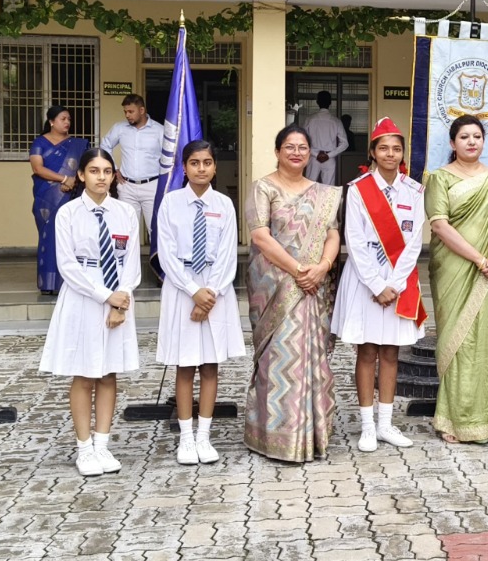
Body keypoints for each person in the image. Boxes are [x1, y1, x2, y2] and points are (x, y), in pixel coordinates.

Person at [37, 148, 141, 477]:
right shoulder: (68, 214)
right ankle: (83, 448)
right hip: (83, 298)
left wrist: (120, 300)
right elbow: (68, 266)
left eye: (107, 171)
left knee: (108, 373)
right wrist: (106, 297)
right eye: (94, 171)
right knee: (84, 374)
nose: (101, 177)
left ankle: (102, 445)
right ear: (81, 175)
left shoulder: (125, 212)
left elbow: (131, 263)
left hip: (118, 298)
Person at [243, 125, 343, 462]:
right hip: (276, 286)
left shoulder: (323, 193)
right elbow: (260, 236)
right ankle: (273, 435)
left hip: (313, 285)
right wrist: (299, 270)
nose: (297, 152)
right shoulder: (263, 188)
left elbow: (332, 233)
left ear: (310, 152)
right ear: (277, 151)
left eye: (302, 147)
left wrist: (322, 267)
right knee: (278, 359)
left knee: (311, 357)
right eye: (289, 146)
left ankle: (312, 434)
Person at [426, 115, 488, 444]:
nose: (471, 142)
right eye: (464, 137)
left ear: (483, 141)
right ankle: (454, 420)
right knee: (457, 342)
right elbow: (439, 225)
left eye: (477, 136)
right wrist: (480, 260)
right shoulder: (439, 178)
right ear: (452, 143)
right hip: (454, 269)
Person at [332, 117, 424, 451]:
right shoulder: (359, 189)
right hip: (364, 281)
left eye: (396, 149)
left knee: (391, 352)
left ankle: (386, 424)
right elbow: (354, 240)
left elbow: (414, 241)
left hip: (398, 282)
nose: (390, 154)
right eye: (383, 148)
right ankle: (367, 426)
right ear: (372, 152)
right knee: (367, 351)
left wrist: (394, 284)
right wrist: (376, 285)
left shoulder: (414, 190)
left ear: (403, 153)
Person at [156, 140, 244, 465]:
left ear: (215, 167)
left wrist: (209, 294)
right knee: (185, 364)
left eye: (207, 162)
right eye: (194, 163)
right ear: (184, 167)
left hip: (215, 290)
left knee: (209, 364)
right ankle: (186, 437)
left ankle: (204, 436)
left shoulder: (224, 204)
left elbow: (227, 254)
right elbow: (166, 253)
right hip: (182, 288)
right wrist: (193, 291)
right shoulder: (170, 203)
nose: (201, 168)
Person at [30, 106, 90, 294]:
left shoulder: (77, 144)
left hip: (72, 195)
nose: (67, 122)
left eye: (69, 119)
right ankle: (48, 284)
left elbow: (85, 169)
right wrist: (64, 179)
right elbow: (37, 168)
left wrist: (73, 182)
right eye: (63, 119)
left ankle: (67, 282)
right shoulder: (40, 142)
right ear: (51, 122)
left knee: (69, 238)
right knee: (48, 237)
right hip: (46, 198)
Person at [101, 94, 164, 239]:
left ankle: (157, 255)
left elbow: (169, 156)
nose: (127, 115)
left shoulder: (159, 130)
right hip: (127, 186)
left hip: (152, 186)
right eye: (125, 112)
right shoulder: (119, 128)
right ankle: (129, 256)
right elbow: (105, 146)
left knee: (156, 230)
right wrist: (114, 169)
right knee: (126, 230)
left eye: (131, 111)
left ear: (142, 110)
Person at [301, 91, 348, 185]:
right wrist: (329, 155)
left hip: (313, 158)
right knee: (328, 189)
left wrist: (315, 154)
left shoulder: (309, 120)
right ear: (330, 102)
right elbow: (345, 144)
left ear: (317, 102)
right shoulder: (336, 121)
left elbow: (302, 141)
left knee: (309, 187)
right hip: (329, 159)